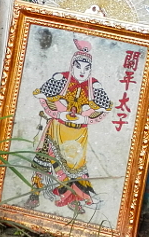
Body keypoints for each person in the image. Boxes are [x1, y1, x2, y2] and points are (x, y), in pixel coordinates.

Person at [23, 39, 112, 213]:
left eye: (86, 68)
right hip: (57, 129)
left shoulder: (94, 86)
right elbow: (42, 96)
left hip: (78, 134)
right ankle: (35, 193)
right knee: (44, 162)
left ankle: (73, 198)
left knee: (77, 170)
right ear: (72, 65)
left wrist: (84, 119)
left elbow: (104, 109)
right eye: (78, 67)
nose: (82, 72)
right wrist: (58, 114)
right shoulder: (61, 79)